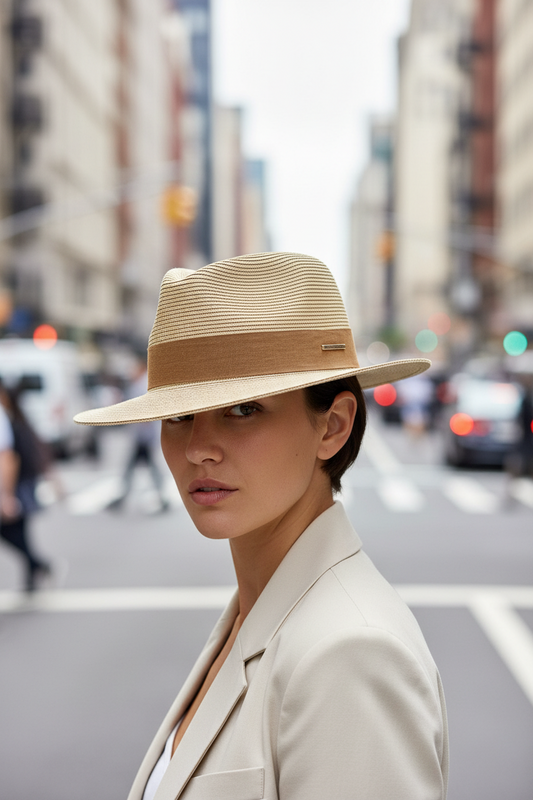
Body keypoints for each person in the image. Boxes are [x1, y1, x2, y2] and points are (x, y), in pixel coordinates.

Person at [76, 252, 448, 800]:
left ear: (333, 426)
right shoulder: (263, 611)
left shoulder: (349, 651)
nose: (198, 448)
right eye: (179, 415)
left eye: (243, 409)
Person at [0, 383, 52, 591]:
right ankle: (35, 569)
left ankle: (36, 567)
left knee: (17, 533)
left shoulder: (8, 418)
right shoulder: (13, 418)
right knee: (20, 534)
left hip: (17, 485)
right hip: (19, 484)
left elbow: (9, 458)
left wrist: (7, 495)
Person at [108, 360, 169, 512]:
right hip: (141, 436)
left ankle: (160, 497)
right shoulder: (141, 383)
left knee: (140, 468)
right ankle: (159, 497)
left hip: (143, 437)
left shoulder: (143, 384)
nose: (131, 372)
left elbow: (145, 411)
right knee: (141, 468)